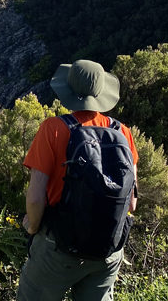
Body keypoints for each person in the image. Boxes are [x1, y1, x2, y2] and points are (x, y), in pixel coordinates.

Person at [17, 59, 139, 301]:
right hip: (108, 250)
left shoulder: (53, 129)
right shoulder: (122, 132)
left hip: (59, 248)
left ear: (68, 92)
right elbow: (132, 203)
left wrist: (32, 227)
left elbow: (35, 198)